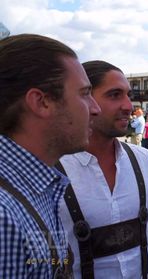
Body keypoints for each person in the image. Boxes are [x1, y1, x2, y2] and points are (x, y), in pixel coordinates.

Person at [57, 60, 148, 278]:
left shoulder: (141, 159)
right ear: (84, 99)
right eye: (114, 95)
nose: (128, 105)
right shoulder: (54, 167)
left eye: (128, 95)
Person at [0, 34, 100, 278]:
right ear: (41, 102)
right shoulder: (3, 216)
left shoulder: (36, 184)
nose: (95, 108)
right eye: (84, 93)